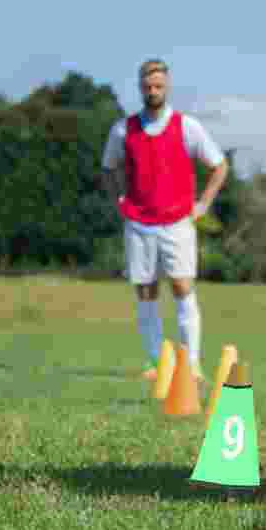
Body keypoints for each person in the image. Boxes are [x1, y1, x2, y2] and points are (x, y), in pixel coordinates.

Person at [101, 59, 228, 383]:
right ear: (140, 88)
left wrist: (203, 204)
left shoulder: (187, 127)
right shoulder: (122, 129)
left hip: (177, 222)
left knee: (182, 287)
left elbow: (219, 166)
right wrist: (119, 200)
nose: (153, 91)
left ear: (167, 87)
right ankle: (157, 362)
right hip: (139, 223)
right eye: (148, 86)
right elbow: (108, 168)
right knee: (145, 291)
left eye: (158, 86)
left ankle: (193, 363)